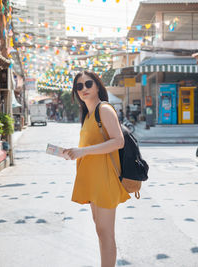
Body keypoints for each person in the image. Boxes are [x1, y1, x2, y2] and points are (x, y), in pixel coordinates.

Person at [63, 71, 130, 267]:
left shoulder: (104, 109)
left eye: (88, 84)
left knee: (106, 232)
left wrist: (83, 151)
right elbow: (90, 148)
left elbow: (118, 141)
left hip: (105, 179)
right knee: (101, 231)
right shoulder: (88, 115)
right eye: (79, 86)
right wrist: (74, 153)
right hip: (93, 180)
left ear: (98, 86)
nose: (84, 89)